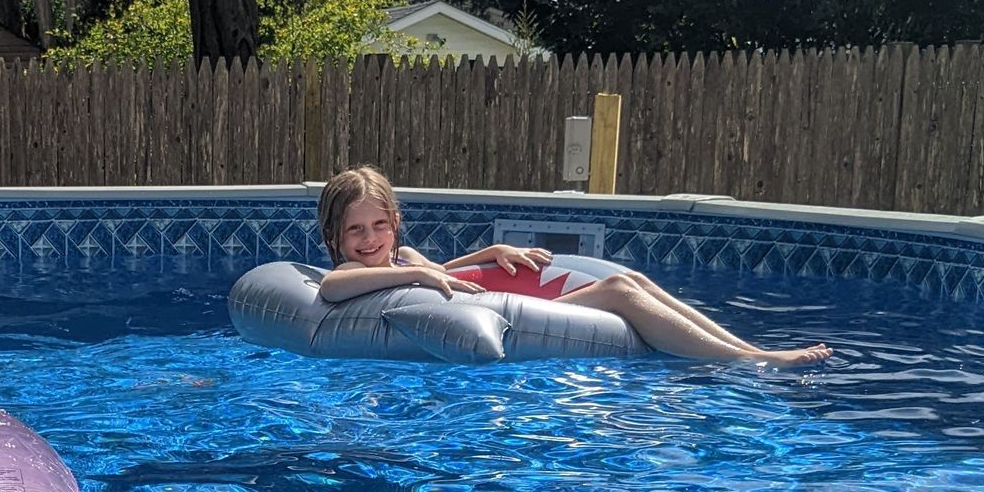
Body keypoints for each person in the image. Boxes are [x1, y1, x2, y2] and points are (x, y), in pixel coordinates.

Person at [316, 166, 831, 366]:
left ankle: (747, 347)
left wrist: (487, 255)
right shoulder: (354, 273)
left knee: (636, 278)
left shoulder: (404, 255)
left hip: (506, 306)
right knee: (617, 291)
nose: (369, 239)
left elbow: (441, 277)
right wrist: (415, 272)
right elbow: (339, 285)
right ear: (334, 235)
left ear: (396, 222)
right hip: (512, 321)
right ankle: (750, 362)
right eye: (356, 230)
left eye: (378, 225)